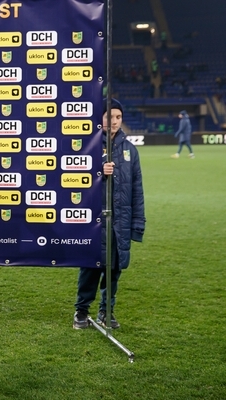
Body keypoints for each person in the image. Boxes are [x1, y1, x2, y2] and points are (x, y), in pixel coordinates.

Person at [73, 99, 146, 330]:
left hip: (120, 223)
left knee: (114, 270)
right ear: (100, 118)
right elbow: (73, 181)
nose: (114, 121)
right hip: (95, 223)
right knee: (91, 268)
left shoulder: (130, 150)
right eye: (109, 117)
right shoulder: (88, 146)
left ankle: (106, 311)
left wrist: (137, 225)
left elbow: (137, 190)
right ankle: (81, 311)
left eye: (118, 117)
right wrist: (97, 172)